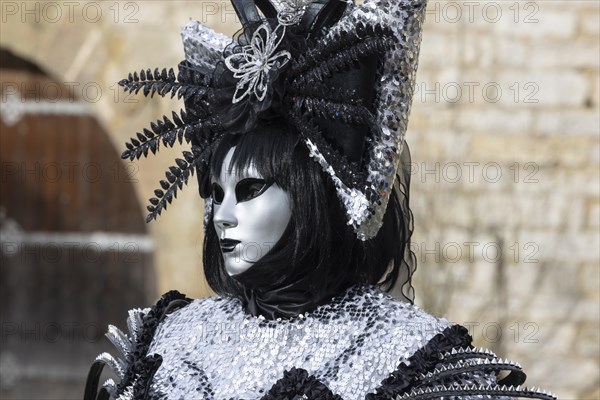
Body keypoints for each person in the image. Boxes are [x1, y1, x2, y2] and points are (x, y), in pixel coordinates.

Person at [85, 0, 557, 398]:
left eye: (250, 190)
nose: (223, 217)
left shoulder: (405, 356)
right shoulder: (170, 339)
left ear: (313, 198)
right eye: (217, 193)